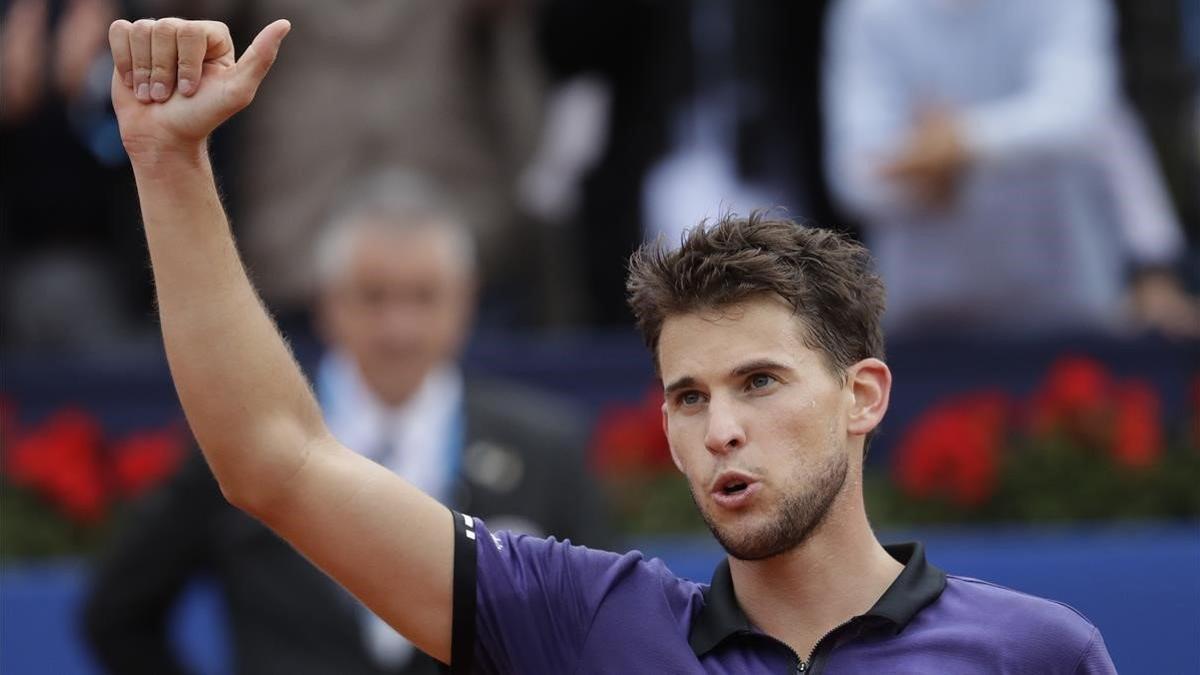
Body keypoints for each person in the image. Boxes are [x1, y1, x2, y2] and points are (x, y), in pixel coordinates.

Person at [102, 17, 1117, 673]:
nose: (722, 428)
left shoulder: (1038, 653)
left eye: (760, 381)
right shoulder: (586, 624)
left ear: (864, 394)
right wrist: (169, 162)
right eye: (688, 396)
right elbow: (275, 459)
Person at [81, 166, 609, 674]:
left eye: (424, 297)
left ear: (465, 300)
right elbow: (118, 616)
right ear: (327, 302)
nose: (399, 327)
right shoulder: (243, 439)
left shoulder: (544, 451)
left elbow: (596, 633)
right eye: (373, 297)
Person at [823, 0, 1199, 339]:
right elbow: (853, 177)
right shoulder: (868, 12)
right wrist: (922, 179)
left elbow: (1079, 112)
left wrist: (958, 144)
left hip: (1065, 307)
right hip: (927, 316)